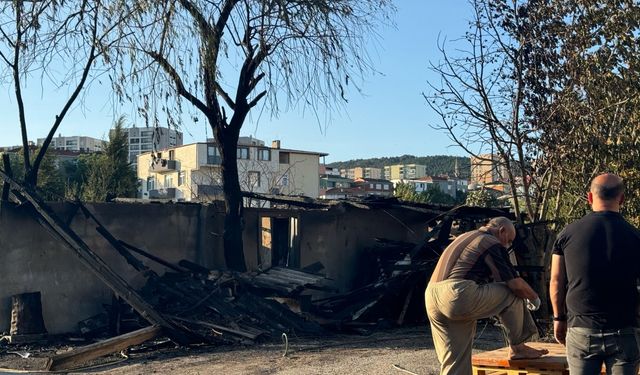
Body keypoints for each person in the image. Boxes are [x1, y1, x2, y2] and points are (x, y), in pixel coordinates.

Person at [425, 216, 548, 375]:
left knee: (456, 362)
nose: (507, 245)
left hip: (432, 296)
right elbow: (515, 284)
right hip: (458, 294)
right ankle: (518, 348)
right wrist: (534, 298)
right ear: (501, 231)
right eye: (509, 240)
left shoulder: (464, 237)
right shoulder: (490, 241)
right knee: (513, 293)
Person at [550, 173, 640, 374]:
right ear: (622, 199)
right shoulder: (635, 236)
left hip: (581, 329)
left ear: (590, 197)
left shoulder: (567, 234)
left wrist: (559, 318)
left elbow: (556, 281)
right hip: (624, 329)